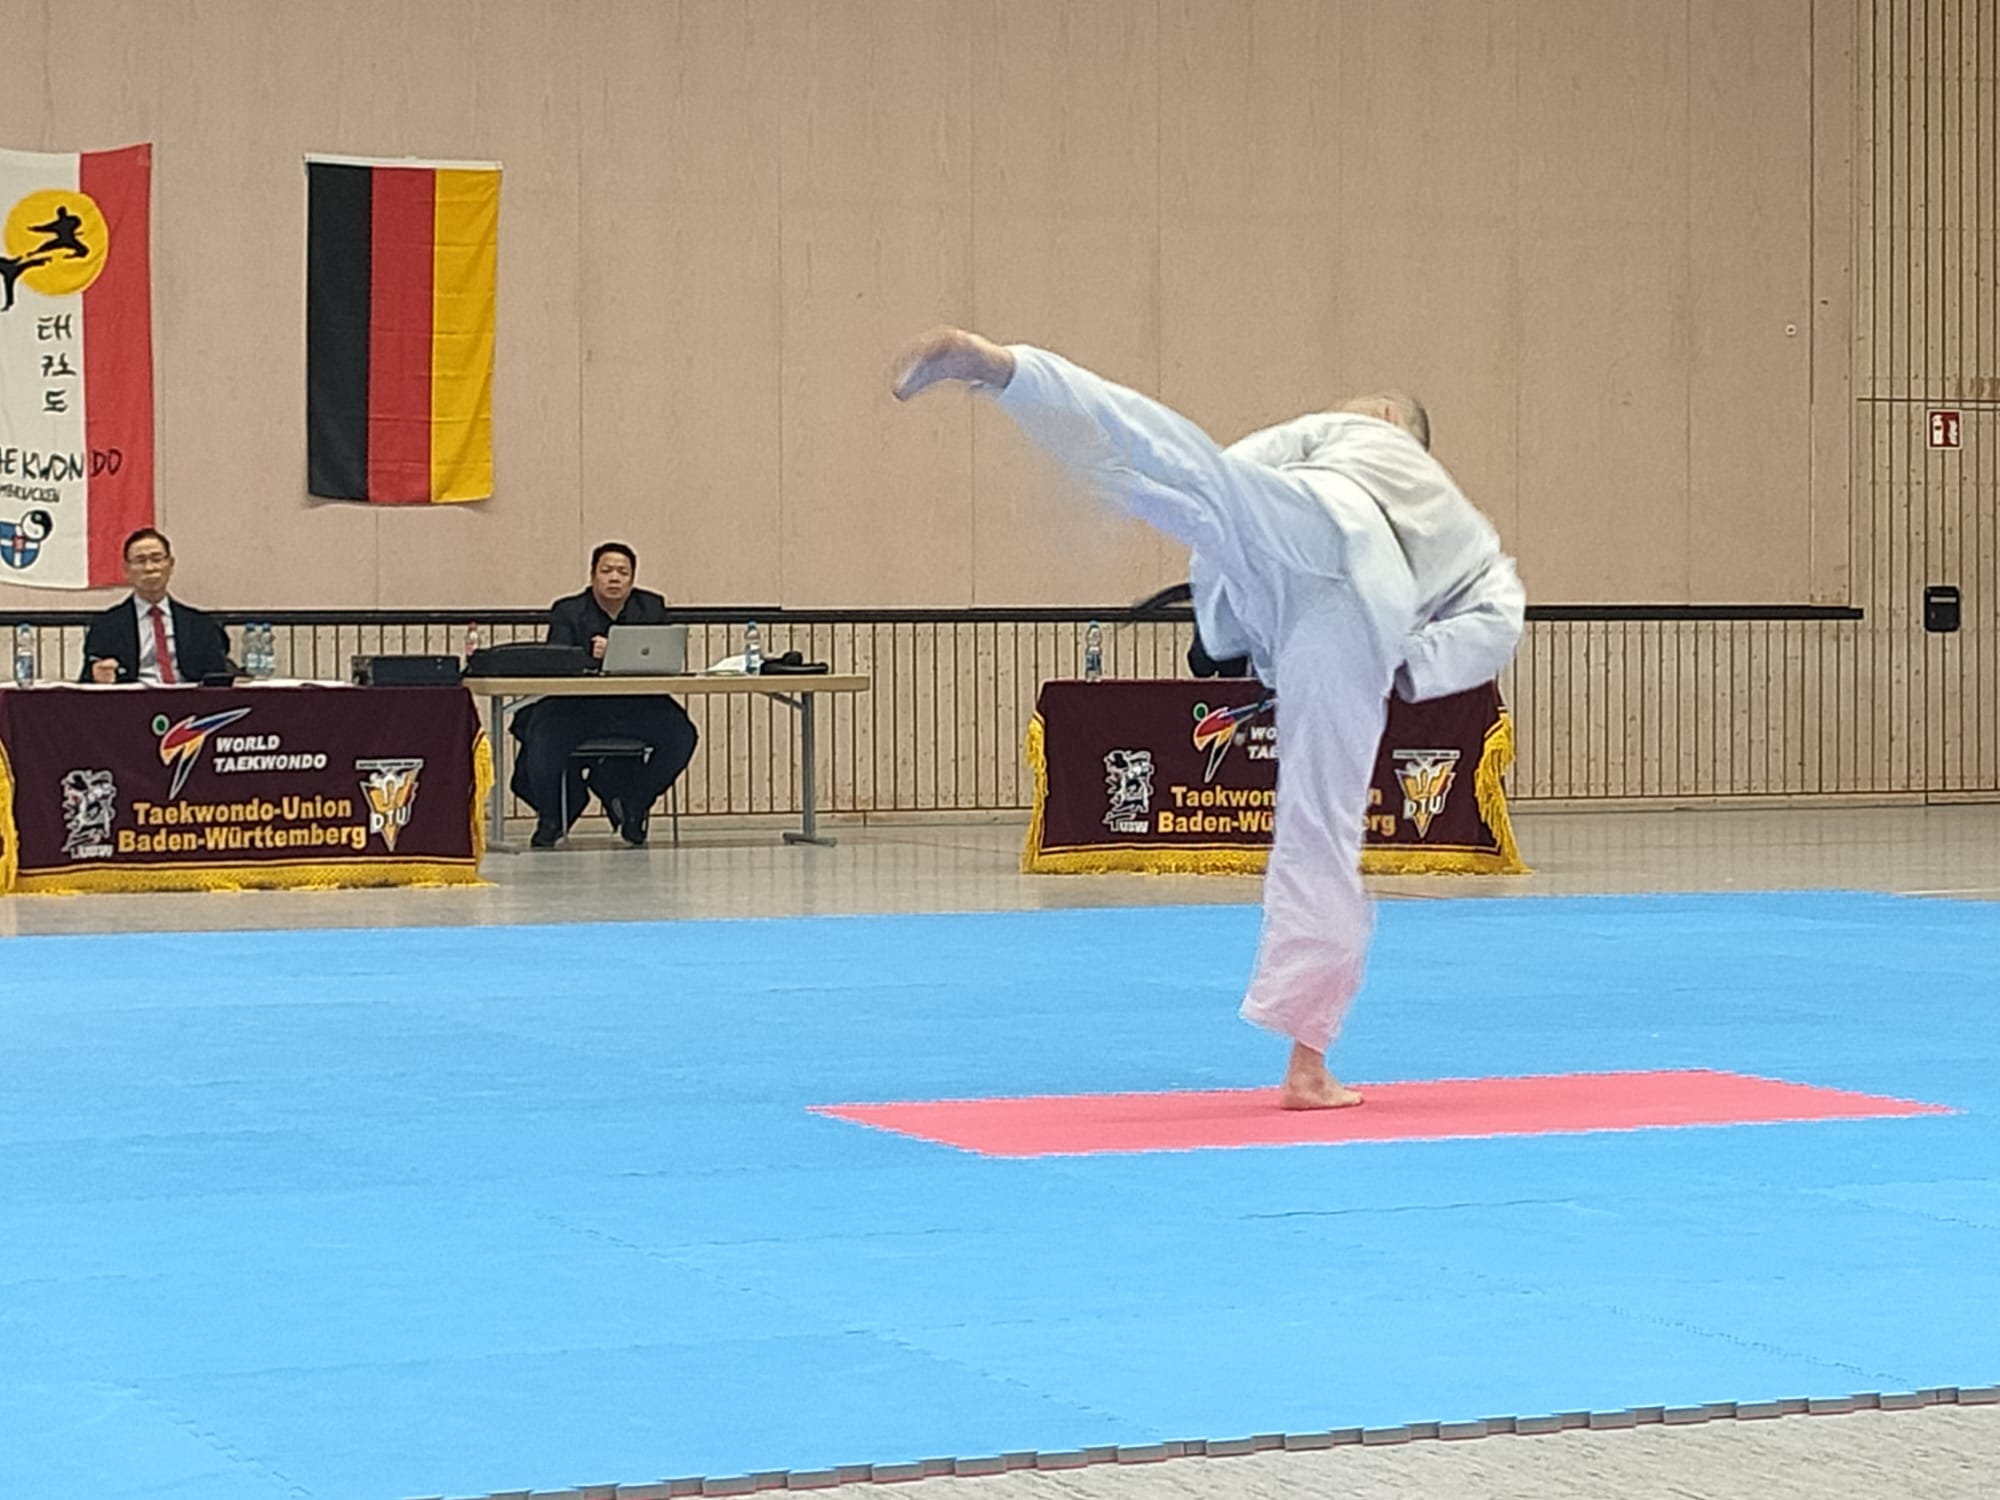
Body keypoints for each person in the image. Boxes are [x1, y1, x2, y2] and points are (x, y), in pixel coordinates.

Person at [894, 329, 1524, 1109]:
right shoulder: (1465, 527)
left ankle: (1012, 374)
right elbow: (1501, 616)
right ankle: (1308, 1063)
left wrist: (1223, 622)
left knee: (1182, 468)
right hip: (1361, 606)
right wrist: (1411, 664)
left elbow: (1226, 469)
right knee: (1321, 830)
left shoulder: (1347, 432)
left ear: (1390, 418)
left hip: (1303, 542)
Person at [511, 541, 698, 849]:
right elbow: (558, 661)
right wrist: (592, 656)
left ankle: (635, 804)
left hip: (636, 704)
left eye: (623, 572)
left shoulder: (651, 607)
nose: (614, 578)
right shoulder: (568, 610)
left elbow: (662, 655)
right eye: (607, 570)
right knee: (542, 736)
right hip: (576, 706)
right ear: (592, 575)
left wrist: (619, 653)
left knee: (682, 735)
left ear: (632, 578)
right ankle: (551, 817)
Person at [80, 527, 234, 685]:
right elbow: (86, 681)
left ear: (170, 564)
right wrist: (97, 675)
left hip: (187, 698)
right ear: (126, 569)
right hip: (132, 698)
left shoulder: (201, 625)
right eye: (140, 561)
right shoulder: (106, 625)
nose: (149, 568)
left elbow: (218, 679)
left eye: (156, 559)